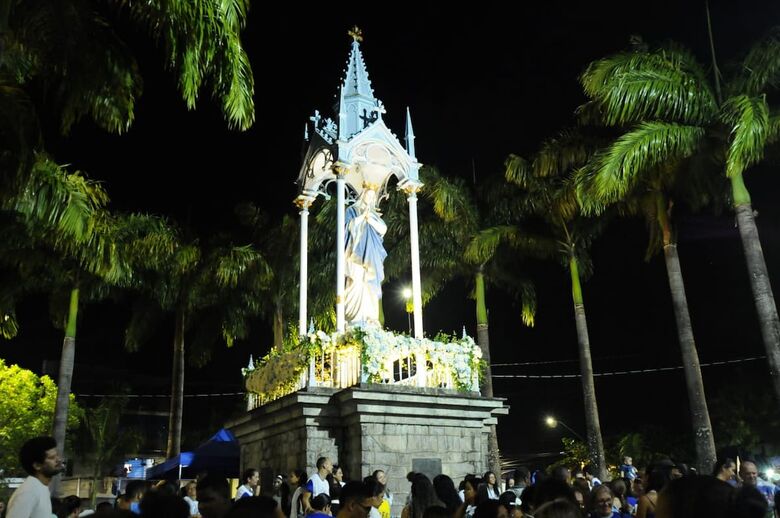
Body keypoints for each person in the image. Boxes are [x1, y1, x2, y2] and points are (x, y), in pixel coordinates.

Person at [344, 187, 387, 326]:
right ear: (362, 195)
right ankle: (356, 318)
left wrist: (370, 219)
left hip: (372, 255)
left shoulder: (374, 214)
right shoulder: (352, 211)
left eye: (372, 196)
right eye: (368, 195)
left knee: (371, 282)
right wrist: (362, 217)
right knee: (357, 282)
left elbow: (383, 229)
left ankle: (370, 318)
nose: (370, 198)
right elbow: (347, 226)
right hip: (356, 254)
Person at [7, 436, 64, 518]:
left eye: (57, 455)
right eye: (52, 458)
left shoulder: (40, 488)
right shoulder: (28, 492)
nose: (58, 460)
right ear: (37, 466)